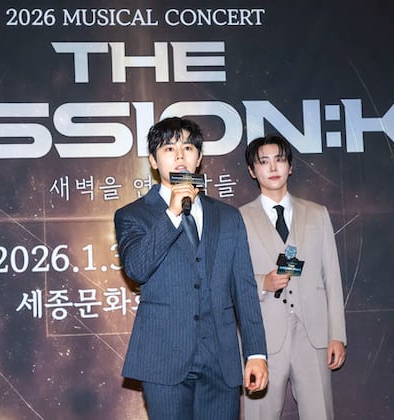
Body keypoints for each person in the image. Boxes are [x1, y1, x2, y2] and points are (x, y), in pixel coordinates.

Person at [114, 117, 268, 419]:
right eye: (169, 148)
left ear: (198, 158)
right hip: (163, 358)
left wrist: (256, 352)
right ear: (153, 161)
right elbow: (137, 269)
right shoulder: (133, 215)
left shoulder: (228, 217)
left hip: (221, 359)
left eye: (187, 147)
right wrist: (172, 213)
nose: (179, 155)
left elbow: (244, 288)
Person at [240, 134, 347, 420]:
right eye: (264, 162)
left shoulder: (317, 214)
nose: (273, 167)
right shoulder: (238, 219)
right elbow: (231, 279)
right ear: (252, 171)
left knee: (320, 413)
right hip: (262, 337)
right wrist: (263, 282)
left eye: (279, 159)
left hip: (313, 335)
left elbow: (331, 276)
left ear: (290, 166)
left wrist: (337, 335)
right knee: (259, 415)